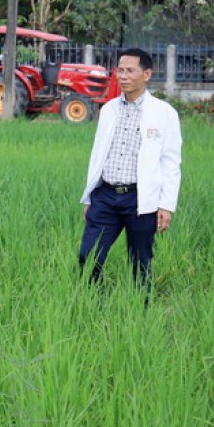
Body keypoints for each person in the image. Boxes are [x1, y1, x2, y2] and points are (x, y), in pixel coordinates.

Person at [78, 48, 182, 291]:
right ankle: (95, 306)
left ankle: (140, 311)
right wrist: (88, 197)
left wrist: (166, 205)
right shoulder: (108, 110)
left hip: (140, 198)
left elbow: (170, 161)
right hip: (105, 195)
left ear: (146, 74)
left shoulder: (164, 113)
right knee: (88, 256)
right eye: (120, 70)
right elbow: (98, 155)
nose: (122, 76)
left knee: (141, 261)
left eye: (129, 71)